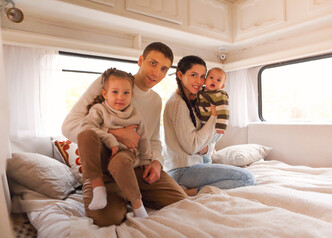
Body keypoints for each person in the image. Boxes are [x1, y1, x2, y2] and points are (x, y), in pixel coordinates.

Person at [62, 42, 187, 227]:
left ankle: (134, 195)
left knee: (182, 202)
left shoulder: (155, 100)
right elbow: (69, 126)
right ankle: (116, 195)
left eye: (163, 69)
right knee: (107, 220)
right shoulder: (111, 82)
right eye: (152, 63)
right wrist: (115, 134)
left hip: (137, 168)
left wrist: (156, 162)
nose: (156, 73)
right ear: (141, 60)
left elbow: (153, 140)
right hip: (104, 169)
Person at [163, 55, 255, 196]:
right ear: (180, 75)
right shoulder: (177, 103)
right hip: (182, 170)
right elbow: (193, 146)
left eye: (202, 76)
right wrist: (213, 117)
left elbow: (204, 144)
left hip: (193, 165)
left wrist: (206, 149)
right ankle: (191, 192)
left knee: (242, 176)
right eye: (194, 75)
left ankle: (194, 188)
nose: (199, 81)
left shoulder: (194, 101)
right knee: (246, 178)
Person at [79, 68, 150, 218]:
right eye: (115, 92)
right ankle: (98, 188)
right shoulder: (99, 110)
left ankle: (138, 206)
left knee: (120, 162)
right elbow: (86, 127)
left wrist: (146, 159)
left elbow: (143, 138)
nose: (121, 97)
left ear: (132, 94)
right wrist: (109, 138)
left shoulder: (135, 114)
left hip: (124, 152)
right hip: (101, 153)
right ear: (105, 93)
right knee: (85, 135)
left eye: (126, 93)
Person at [196, 67, 229, 163]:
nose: (214, 81)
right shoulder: (200, 92)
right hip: (204, 124)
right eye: (211, 77)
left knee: (206, 146)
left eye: (218, 80)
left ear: (222, 86)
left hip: (216, 127)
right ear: (205, 79)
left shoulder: (220, 95)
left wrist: (221, 127)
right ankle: (210, 153)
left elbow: (224, 111)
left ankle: (208, 161)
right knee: (203, 144)